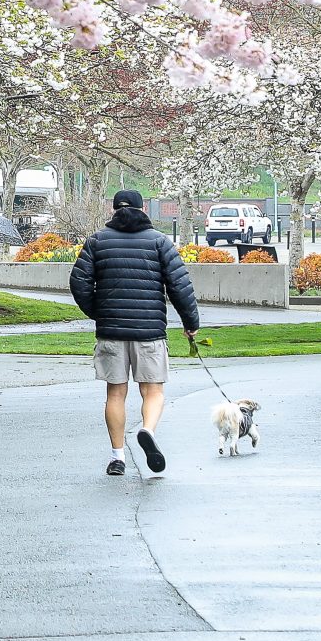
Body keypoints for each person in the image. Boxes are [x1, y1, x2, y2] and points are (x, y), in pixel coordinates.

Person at [69, 190, 201, 476]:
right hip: (150, 332)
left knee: (115, 393)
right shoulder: (158, 242)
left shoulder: (97, 241)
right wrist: (191, 323)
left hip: (111, 333)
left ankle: (117, 456)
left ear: (113, 209)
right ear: (144, 208)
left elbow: (79, 284)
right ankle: (147, 430)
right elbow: (180, 287)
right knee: (152, 390)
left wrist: (99, 312)